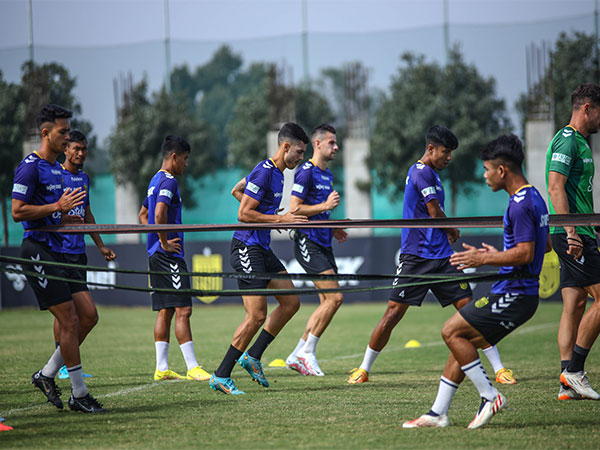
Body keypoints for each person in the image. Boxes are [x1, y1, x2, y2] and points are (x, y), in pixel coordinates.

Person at [403, 134, 550, 429]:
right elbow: (544, 247)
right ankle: (438, 413)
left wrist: (484, 259)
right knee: (462, 340)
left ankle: (489, 395)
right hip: (517, 293)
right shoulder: (534, 197)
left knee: (451, 332)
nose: (484, 176)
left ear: (502, 171)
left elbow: (526, 253)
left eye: (486, 170)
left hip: (515, 294)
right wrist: (500, 254)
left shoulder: (519, 205)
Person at [348, 126, 515, 386]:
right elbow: (434, 213)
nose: (449, 158)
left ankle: (500, 369)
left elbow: (433, 216)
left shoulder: (433, 175)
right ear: (430, 149)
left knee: (471, 312)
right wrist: (452, 228)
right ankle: (363, 369)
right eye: (446, 152)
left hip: (443, 258)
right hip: (416, 258)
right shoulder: (421, 172)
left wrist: (445, 232)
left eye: (450, 153)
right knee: (392, 314)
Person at [12, 104, 106, 413]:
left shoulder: (55, 168)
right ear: (45, 133)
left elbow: (57, 211)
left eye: (69, 132)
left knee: (88, 316)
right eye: (63, 132)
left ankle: (47, 374)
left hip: (56, 248)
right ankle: (78, 394)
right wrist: (56, 209)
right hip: (37, 250)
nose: (68, 138)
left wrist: (68, 220)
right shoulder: (30, 166)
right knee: (69, 319)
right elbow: (17, 212)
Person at [209, 122, 309, 395]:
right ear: (285, 147)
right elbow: (243, 213)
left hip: (261, 248)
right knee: (256, 316)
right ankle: (221, 374)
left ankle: (252, 356)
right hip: (245, 247)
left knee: (291, 302)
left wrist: (268, 218)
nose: (301, 158)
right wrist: (278, 217)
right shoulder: (265, 172)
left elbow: (237, 190)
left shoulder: (278, 174)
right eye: (299, 152)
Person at [138, 135, 211, 382]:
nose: (186, 164)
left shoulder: (153, 180)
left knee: (165, 311)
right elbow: (158, 214)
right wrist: (164, 241)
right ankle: (192, 367)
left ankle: (162, 368)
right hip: (169, 256)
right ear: (174, 157)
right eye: (185, 159)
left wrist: (154, 242)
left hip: (155, 255)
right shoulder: (168, 181)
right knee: (184, 309)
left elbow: (143, 214)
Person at [546, 83, 600, 401]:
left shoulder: (579, 142)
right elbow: (555, 188)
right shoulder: (567, 141)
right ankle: (574, 372)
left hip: (580, 231)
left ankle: (567, 383)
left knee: (574, 305)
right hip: (572, 234)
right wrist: (571, 233)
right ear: (587, 108)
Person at [283, 123, 348, 376]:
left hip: (323, 241)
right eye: (332, 142)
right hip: (307, 242)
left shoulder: (327, 174)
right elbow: (295, 209)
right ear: (317, 144)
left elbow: (321, 212)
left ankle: (297, 353)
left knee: (326, 302)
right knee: (335, 298)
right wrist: (324, 206)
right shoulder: (305, 172)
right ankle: (307, 352)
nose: (336, 147)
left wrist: (333, 228)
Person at [54, 130, 116, 380]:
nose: (80, 153)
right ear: (65, 149)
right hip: (58, 253)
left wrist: (100, 245)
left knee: (85, 316)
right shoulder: (55, 176)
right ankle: (61, 365)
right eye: (75, 149)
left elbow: (87, 214)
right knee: (69, 312)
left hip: (78, 253)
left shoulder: (84, 178)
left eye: (84, 149)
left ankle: (60, 362)